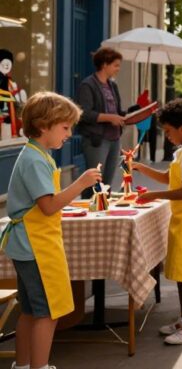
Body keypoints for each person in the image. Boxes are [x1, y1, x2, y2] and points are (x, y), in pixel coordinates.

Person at [2, 93, 102, 369]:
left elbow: (44, 203)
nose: (69, 134)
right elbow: (48, 206)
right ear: (45, 125)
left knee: (31, 311)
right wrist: (80, 184)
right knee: (47, 312)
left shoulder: (37, 155)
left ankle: (22, 365)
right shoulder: (35, 160)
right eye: (65, 127)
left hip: (30, 244)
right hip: (36, 247)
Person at [131, 99, 182, 345]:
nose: (166, 136)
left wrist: (153, 194)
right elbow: (170, 177)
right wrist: (141, 168)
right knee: (181, 271)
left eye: (167, 131)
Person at [75, 47, 126, 191]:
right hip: (97, 140)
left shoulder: (112, 85)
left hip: (114, 140)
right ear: (105, 64)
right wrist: (109, 118)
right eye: (116, 65)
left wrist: (133, 113)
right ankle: (90, 210)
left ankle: (104, 210)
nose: (118, 69)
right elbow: (83, 113)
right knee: (95, 182)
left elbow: (118, 111)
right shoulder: (88, 85)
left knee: (107, 184)